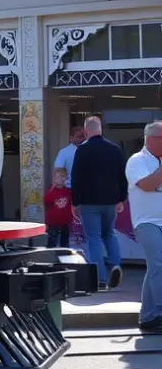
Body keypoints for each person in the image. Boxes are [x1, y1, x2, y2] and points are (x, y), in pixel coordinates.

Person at [71, 115, 128, 290]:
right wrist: (121, 198)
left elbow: (76, 178)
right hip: (110, 201)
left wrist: (75, 202)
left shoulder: (82, 150)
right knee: (109, 233)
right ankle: (116, 265)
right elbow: (122, 176)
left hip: (89, 202)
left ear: (86, 131)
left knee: (94, 238)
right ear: (100, 129)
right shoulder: (115, 149)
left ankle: (100, 279)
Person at [126, 120, 162, 332]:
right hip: (146, 222)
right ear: (150, 140)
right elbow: (147, 185)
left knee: (154, 266)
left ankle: (148, 317)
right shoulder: (137, 161)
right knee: (159, 262)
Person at [44, 167, 75, 248]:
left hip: (66, 221)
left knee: (65, 242)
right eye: (56, 177)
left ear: (65, 178)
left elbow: (73, 203)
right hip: (53, 222)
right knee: (52, 242)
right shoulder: (51, 192)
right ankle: (51, 254)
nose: (58, 179)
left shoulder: (69, 191)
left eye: (61, 176)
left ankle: (65, 254)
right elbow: (47, 203)